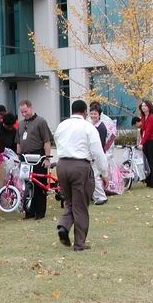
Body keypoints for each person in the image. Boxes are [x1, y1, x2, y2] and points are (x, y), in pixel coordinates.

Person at [54, 100, 108, 251]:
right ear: (85, 112)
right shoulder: (88, 127)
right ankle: (79, 243)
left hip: (62, 165)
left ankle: (64, 226)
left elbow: (57, 142)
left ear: (72, 111)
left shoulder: (61, 126)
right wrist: (104, 173)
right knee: (81, 205)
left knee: (70, 202)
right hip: (80, 166)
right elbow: (98, 152)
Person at [16, 99, 53, 219]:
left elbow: (47, 141)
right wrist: (18, 156)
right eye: (22, 112)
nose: (24, 114)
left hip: (38, 156)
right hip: (25, 157)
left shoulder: (41, 121)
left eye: (26, 111)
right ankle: (29, 211)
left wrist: (47, 158)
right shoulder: (21, 124)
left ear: (31, 108)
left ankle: (40, 212)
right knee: (27, 184)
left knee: (39, 184)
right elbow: (18, 142)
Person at [89, 103, 108, 205]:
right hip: (92, 155)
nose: (93, 116)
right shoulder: (91, 126)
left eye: (95, 114)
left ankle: (101, 197)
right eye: (91, 113)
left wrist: (94, 156)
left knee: (95, 176)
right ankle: (94, 195)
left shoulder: (101, 127)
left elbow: (100, 144)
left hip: (97, 156)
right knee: (92, 176)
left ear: (99, 115)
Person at [139, 100, 153, 188]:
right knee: (147, 161)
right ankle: (149, 181)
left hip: (152, 141)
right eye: (142, 106)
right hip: (146, 141)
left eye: (145, 106)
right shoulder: (143, 117)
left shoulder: (152, 117)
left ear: (149, 107)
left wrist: (142, 143)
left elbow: (148, 131)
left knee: (152, 161)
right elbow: (143, 130)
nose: (143, 107)